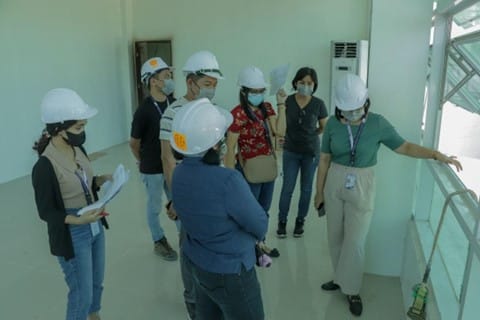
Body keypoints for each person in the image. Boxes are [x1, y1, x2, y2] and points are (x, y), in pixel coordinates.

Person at [313, 73, 462, 317]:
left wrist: (435, 154)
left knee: (356, 241)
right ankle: (340, 279)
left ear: (366, 103)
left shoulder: (378, 124)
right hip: (335, 180)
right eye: (347, 110)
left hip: (363, 181)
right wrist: (318, 192)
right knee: (335, 236)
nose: (352, 114)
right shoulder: (331, 124)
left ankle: (352, 290)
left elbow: (404, 146)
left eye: (357, 109)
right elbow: (325, 159)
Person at [170, 98, 268, 320]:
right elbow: (259, 223)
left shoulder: (179, 173)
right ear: (214, 145)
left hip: (198, 264)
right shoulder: (228, 180)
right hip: (231, 271)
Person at [32, 88, 112, 320]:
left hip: (93, 220)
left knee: (96, 283)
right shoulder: (45, 166)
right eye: (78, 128)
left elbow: (83, 182)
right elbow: (46, 211)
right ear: (58, 129)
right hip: (73, 230)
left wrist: (101, 180)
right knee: (81, 293)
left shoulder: (78, 148)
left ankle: (94, 316)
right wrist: (78, 220)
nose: (83, 133)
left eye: (84, 126)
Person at [160, 50, 224, 319]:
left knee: (212, 241)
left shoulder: (213, 112)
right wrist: (177, 199)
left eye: (214, 85)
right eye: (207, 84)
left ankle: (212, 295)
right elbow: (168, 158)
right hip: (188, 189)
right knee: (189, 244)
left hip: (213, 189)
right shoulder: (173, 113)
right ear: (191, 82)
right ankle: (193, 301)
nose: (211, 90)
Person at [225, 66, 286, 257]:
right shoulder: (237, 114)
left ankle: (261, 243)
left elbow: (280, 131)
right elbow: (230, 148)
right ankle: (247, 245)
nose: (258, 94)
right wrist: (229, 178)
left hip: (266, 165)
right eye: (254, 91)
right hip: (247, 169)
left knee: (264, 209)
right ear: (244, 92)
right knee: (249, 210)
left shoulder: (266, 108)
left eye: (261, 91)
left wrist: (281, 104)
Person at [129, 57, 178, 261]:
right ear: (153, 81)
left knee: (178, 202)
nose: (169, 80)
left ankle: (187, 237)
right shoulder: (144, 111)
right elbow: (133, 142)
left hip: (172, 164)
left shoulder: (173, 104)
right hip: (153, 169)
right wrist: (144, 161)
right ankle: (159, 240)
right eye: (165, 76)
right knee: (155, 206)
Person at [276, 67, 328, 238]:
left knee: (306, 189)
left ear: (314, 85)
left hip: (311, 153)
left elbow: (324, 127)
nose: (305, 86)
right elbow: (280, 127)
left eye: (309, 83)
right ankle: (282, 221)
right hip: (290, 151)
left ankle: (300, 221)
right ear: (295, 83)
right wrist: (281, 103)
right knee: (287, 189)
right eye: (302, 82)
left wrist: (312, 135)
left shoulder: (318, 104)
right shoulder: (288, 101)